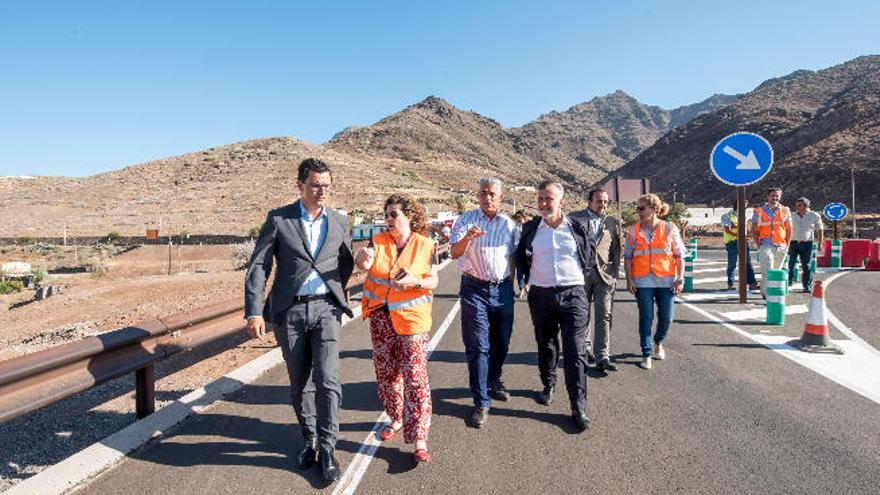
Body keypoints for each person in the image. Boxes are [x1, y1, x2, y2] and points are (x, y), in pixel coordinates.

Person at [244, 158, 354, 483]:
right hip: (289, 312)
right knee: (299, 384)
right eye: (316, 185)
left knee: (328, 379)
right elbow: (259, 266)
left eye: (327, 186)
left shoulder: (339, 221)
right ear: (300, 186)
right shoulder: (279, 219)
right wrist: (253, 310)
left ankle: (329, 448)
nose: (322, 192)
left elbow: (345, 261)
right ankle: (311, 439)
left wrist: (336, 290)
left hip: (326, 311)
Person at [355, 194, 439, 463]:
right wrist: (362, 259)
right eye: (386, 214)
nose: (388, 219)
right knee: (387, 374)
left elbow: (433, 279)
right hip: (381, 317)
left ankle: (420, 438)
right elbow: (365, 262)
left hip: (413, 321)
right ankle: (396, 417)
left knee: (415, 376)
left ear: (409, 216)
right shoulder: (377, 241)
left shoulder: (426, 245)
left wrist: (415, 281)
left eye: (394, 214)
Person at [515, 181, 593, 432]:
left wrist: (578, 284)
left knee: (575, 350)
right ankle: (548, 384)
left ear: (562, 202)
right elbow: (521, 258)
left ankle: (577, 405)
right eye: (540, 199)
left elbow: (588, 258)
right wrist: (528, 284)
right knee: (546, 344)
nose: (543, 204)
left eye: (548, 199)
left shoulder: (578, 227)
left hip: (574, 294)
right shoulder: (530, 229)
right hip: (541, 294)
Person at [450, 177, 517, 429]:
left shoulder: (510, 225)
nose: (486, 198)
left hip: (502, 289)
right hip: (473, 288)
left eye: (491, 194)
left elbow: (513, 257)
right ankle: (481, 402)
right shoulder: (466, 220)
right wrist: (468, 238)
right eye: (482, 193)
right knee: (478, 345)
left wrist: (515, 286)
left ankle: (494, 378)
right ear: (477, 196)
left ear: (500, 197)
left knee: (501, 341)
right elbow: (455, 252)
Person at [624, 193, 686, 370]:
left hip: (666, 280)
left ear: (654, 209)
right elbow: (628, 257)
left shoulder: (669, 228)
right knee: (646, 317)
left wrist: (679, 279)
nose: (638, 211)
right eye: (637, 208)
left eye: (642, 208)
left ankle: (658, 341)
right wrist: (629, 279)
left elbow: (679, 255)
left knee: (667, 318)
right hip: (642, 280)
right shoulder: (633, 230)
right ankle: (646, 353)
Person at [571, 189, 621, 372]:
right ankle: (585, 350)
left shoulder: (611, 222)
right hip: (580, 275)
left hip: (605, 275)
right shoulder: (574, 218)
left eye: (606, 202)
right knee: (583, 315)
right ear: (589, 202)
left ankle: (603, 356)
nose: (603, 205)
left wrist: (615, 271)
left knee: (605, 315)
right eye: (599, 201)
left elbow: (616, 248)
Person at [751, 188, 792, 300]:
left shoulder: (785, 210)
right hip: (765, 244)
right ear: (767, 197)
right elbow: (753, 229)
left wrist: (787, 245)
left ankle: (765, 290)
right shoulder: (758, 211)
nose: (775, 198)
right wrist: (758, 244)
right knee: (768, 269)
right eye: (773, 195)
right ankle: (769, 295)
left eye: (777, 196)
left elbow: (789, 229)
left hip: (781, 245)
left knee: (776, 272)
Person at [720, 197, 759, 291]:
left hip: (743, 242)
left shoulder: (743, 216)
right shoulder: (727, 216)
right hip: (732, 243)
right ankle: (731, 284)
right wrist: (740, 235)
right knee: (732, 264)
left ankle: (752, 283)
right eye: (744, 206)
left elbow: (744, 229)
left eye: (746, 206)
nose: (745, 208)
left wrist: (749, 234)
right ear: (738, 205)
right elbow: (727, 230)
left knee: (747, 263)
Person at [789, 197, 824, 293]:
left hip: (807, 243)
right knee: (790, 264)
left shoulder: (814, 215)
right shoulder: (792, 215)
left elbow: (820, 230)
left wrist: (820, 243)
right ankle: (788, 282)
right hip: (793, 243)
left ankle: (806, 286)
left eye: (799, 205)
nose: (797, 207)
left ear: (806, 206)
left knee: (807, 266)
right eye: (796, 205)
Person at [512, 210, 529, 298]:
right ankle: (521, 289)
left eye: (520, 217)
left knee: (528, 271)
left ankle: (526, 286)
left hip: (527, 252)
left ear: (524, 217)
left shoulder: (529, 227)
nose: (518, 219)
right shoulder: (515, 227)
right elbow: (512, 239)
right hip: (517, 251)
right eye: (517, 217)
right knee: (519, 271)